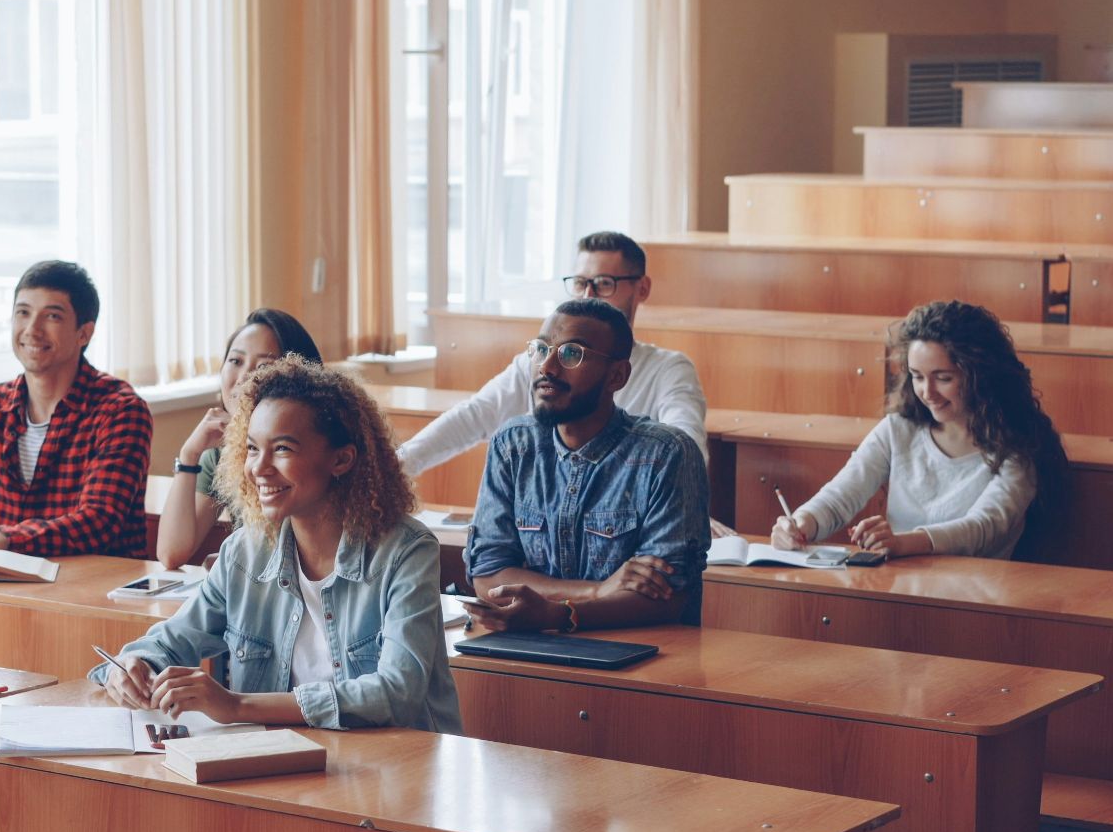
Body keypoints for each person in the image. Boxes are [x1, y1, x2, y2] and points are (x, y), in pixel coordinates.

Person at [93, 357, 461, 734]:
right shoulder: (244, 554)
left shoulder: (406, 551)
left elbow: (398, 693)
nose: (259, 468)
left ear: (342, 459)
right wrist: (130, 666)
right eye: (252, 448)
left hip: (397, 765)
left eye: (282, 449)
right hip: (282, 764)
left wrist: (235, 705)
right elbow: (169, 643)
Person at [463, 299, 710, 632]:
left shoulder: (666, 455)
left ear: (617, 376)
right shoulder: (513, 444)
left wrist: (558, 614)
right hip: (530, 645)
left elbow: (666, 596)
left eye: (571, 354)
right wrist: (597, 590)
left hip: (646, 657)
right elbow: (489, 576)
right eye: (540, 349)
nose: (547, 367)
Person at [395, 231, 710, 479]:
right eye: (580, 283)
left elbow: (685, 445)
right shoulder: (539, 364)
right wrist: (398, 467)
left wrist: (676, 499)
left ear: (641, 289)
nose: (588, 296)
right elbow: (474, 415)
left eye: (603, 284)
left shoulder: (668, 369)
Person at [770, 300, 1068, 561]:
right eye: (917, 376)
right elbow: (840, 496)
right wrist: (801, 523)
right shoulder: (897, 430)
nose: (928, 392)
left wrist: (904, 542)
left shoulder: (1018, 446)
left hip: (978, 598)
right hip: (902, 585)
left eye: (943, 378)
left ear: (980, 375)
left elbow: (983, 528)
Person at [0, 260, 153, 558]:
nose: (32, 329)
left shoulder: (120, 411)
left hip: (93, 591)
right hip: (4, 589)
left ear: (84, 333)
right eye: (23, 313)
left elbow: (98, 523)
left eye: (52, 316)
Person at [156, 308, 324, 570]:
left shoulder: (313, 447)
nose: (244, 376)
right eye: (235, 361)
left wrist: (240, 560)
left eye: (264, 366)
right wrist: (190, 455)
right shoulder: (220, 455)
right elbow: (171, 553)